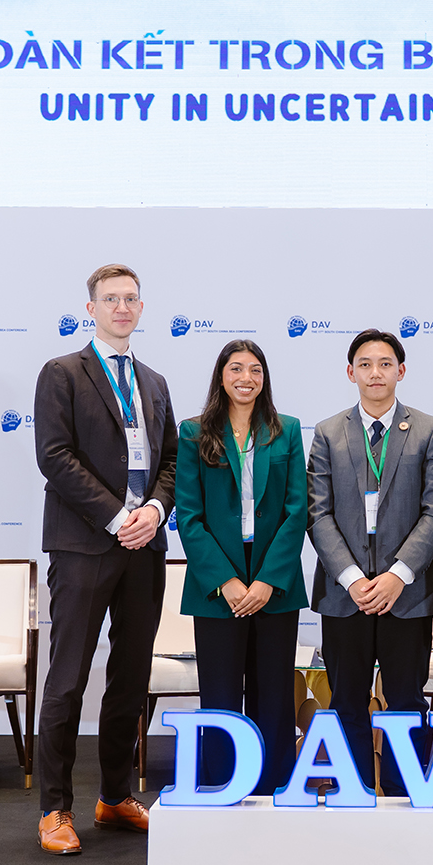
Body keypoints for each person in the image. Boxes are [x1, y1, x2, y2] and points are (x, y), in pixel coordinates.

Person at [32, 264, 178, 855]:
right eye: (110, 299)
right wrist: (119, 517)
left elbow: (171, 460)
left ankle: (115, 796)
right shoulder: (62, 372)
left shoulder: (155, 381)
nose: (122, 307)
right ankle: (54, 808)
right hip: (86, 543)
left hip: (146, 546)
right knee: (68, 678)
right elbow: (55, 456)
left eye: (131, 298)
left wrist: (155, 511)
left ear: (141, 309)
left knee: (131, 676)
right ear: (91, 308)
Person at [306, 329, 433, 797]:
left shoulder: (428, 429)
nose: (375, 373)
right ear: (351, 373)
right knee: (346, 700)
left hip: (406, 594)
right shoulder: (328, 432)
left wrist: (397, 575)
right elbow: (318, 514)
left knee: (406, 700)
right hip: (344, 594)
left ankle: (404, 795)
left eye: (385, 364)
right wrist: (352, 578)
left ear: (400, 371)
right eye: (365, 364)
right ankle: (354, 794)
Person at [174, 340, 309, 795]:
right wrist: (226, 581)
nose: (245, 378)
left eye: (255, 370)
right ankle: (221, 787)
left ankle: (275, 789)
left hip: (275, 583)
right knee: (220, 695)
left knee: (274, 695)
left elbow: (297, 511)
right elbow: (189, 517)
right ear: (221, 376)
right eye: (236, 369)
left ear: (264, 378)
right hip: (218, 586)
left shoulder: (287, 429)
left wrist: (268, 579)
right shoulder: (194, 432)